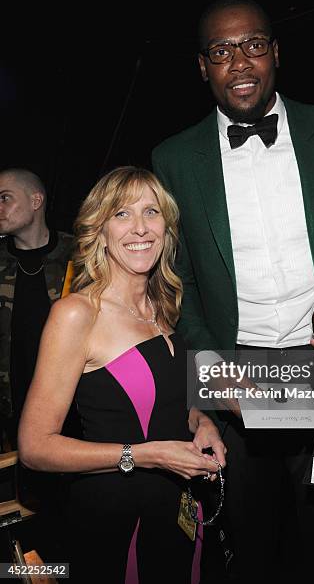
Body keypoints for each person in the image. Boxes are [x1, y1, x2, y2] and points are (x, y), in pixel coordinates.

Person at [152, 0, 314, 582]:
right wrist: (216, 371)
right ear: (202, 67)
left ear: (276, 52)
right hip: (241, 376)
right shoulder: (173, 159)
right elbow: (180, 284)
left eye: (254, 44)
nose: (241, 62)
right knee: (250, 546)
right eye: (221, 51)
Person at [18, 166, 226, 584]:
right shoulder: (77, 313)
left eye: (151, 212)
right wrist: (144, 454)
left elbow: (168, 402)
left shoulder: (161, 306)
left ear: (167, 229)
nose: (140, 228)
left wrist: (202, 422)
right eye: (122, 214)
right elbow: (35, 448)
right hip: (114, 520)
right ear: (100, 229)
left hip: (177, 507)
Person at [0, 168, 73, 450]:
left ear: (36, 200)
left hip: (76, 406)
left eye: (5, 198)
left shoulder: (79, 254)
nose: (0, 207)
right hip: (13, 407)